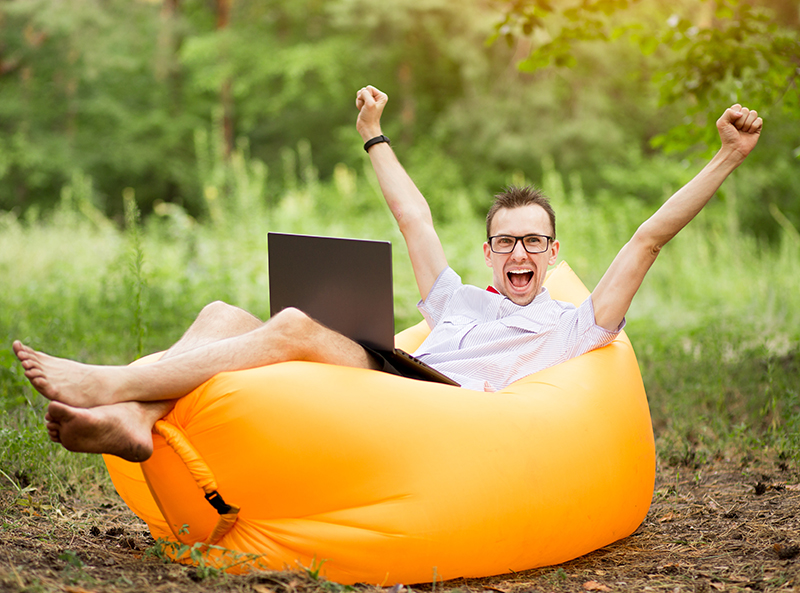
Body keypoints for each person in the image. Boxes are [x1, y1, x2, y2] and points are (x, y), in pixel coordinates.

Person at [13, 85, 763, 463]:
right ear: (489, 254)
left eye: (535, 243)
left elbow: (649, 237)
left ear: (555, 253)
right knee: (217, 312)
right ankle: (132, 422)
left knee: (297, 326)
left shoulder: (577, 326)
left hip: (436, 407)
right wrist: (373, 135)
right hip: (396, 373)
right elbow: (415, 218)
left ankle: (110, 382)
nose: (521, 255)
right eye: (506, 243)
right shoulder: (459, 303)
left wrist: (726, 156)